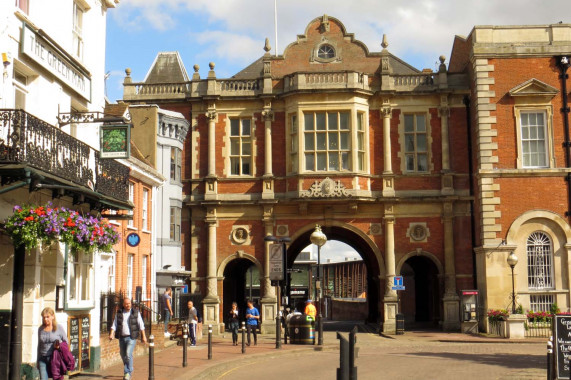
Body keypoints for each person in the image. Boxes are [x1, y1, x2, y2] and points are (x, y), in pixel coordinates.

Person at [109, 298, 147, 380]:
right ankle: (130, 367)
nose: (128, 305)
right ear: (123, 304)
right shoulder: (119, 313)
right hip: (122, 337)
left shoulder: (135, 312)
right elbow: (114, 324)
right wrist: (112, 333)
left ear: (131, 304)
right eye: (126, 304)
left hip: (131, 337)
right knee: (123, 355)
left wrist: (144, 336)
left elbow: (141, 324)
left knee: (128, 355)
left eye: (129, 303)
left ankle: (127, 373)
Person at [37, 307, 68, 380]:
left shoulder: (59, 328)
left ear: (53, 316)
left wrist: (59, 346)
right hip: (42, 358)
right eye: (44, 317)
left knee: (57, 378)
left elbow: (66, 342)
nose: (45, 319)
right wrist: (37, 360)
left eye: (47, 317)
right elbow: (39, 345)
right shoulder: (40, 329)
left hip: (55, 358)